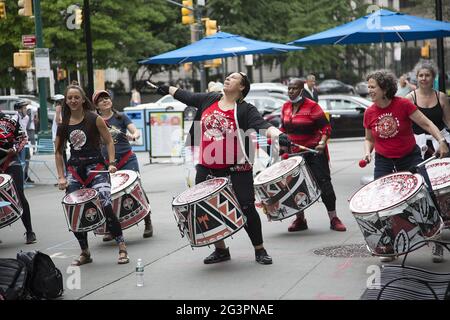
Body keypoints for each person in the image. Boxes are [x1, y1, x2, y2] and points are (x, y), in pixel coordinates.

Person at [151, 72, 292, 265]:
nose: (228, 78)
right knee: (206, 207)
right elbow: (188, 96)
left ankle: (259, 249)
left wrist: (279, 135)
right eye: (228, 76)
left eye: (233, 77)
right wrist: (167, 88)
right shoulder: (210, 98)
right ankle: (221, 250)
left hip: (237, 167)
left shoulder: (245, 109)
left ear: (242, 87)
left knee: (247, 207)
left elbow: (263, 125)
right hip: (207, 166)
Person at [362, 70, 449, 263]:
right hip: (384, 161)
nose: (369, 90)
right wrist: (368, 152)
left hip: (409, 157)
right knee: (382, 203)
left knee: (425, 195)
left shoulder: (403, 104)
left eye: (372, 87)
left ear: (384, 88)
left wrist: (441, 140)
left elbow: (427, 124)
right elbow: (368, 139)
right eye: (368, 87)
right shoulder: (369, 112)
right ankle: (390, 246)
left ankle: (436, 240)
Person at [54, 84, 130, 265]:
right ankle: (85, 251)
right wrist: (61, 177)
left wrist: (111, 163)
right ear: (66, 100)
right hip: (75, 170)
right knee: (74, 209)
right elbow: (58, 152)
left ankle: (121, 246)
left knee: (105, 205)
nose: (73, 100)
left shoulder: (94, 118)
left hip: (95, 167)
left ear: (82, 100)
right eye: (69, 97)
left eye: (76, 97)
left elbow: (109, 142)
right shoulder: (63, 124)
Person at [280, 78, 347, 233]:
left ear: (301, 90)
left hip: (314, 151)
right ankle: (300, 220)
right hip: (294, 154)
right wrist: (283, 147)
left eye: (294, 89)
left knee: (325, 185)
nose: (291, 91)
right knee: (294, 188)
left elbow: (326, 128)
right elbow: (283, 129)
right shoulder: (285, 107)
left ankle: (334, 218)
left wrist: (322, 143)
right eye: (289, 89)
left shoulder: (312, 106)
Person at [92, 89, 153, 240]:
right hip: (108, 164)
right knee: (108, 195)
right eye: (101, 100)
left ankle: (147, 220)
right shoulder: (95, 121)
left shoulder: (121, 117)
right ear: (97, 106)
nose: (105, 100)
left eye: (107, 98)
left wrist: (135, 134)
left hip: (127, 159)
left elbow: (134, 130)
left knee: (136, 189)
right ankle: (112, 227)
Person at [0, 103, 36, 244]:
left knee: (19, 195)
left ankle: (30, 232)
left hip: (10, 162)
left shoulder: (9, 120)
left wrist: (15, 149)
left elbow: (22, 137)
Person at [405, 61, 450, 160]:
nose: (424, 78)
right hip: (418, 144)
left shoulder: (441, 97)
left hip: (442, 141)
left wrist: (443, 142)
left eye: (427, 75)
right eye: (421, 75)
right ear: (417, 78)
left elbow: (448, 121)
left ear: (433, 77)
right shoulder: (409, 98)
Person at [52, 95, 67, 177]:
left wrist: (58, 112)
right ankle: (63, 174)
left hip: (59, 137)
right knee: (60, 156)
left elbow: (59, 122)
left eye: (57, 102)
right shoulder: (60, 111)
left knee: (60, 156)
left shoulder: (61, 111)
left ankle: (64, 175)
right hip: (57, 137)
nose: (56, 104)